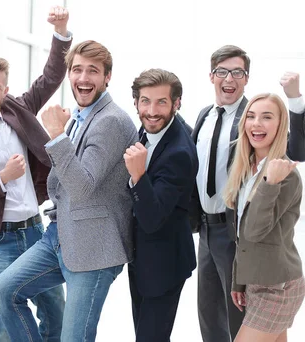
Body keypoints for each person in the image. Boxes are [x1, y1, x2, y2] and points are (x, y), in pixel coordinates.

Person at [0, 40, 137, 342]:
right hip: (59, 236)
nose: (83, 78)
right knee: (2, 291)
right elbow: (61, 183)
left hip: (94, 248)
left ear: (107, 77)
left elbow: (82, 187)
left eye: (93, 71)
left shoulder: (111, 121)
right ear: (69, 74)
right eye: (77, 70)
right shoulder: (81, 116)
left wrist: (57, 136)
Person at [0, 6, 70, 341]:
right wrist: (1, 179)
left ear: (5, 91)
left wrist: (61, 30)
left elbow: (51, 76)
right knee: (3, 327)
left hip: (36, 232)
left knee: (56, 314)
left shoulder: (18, 109)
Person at [192, 45, 305, 342]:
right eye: (221, 71)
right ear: (211, 76)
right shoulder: (208, 119)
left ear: (246, 78)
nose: (256, 123)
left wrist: (294, 98)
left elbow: (298, 150)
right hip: (209, 232)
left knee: (237, 325)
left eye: (237, 72)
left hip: (268, 274)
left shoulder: (279, 170)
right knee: (208, 312)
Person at [223, 93, 304, 342]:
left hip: (277, 287)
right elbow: (241, 237)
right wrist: (239, 281)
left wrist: (270, 183)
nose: (256, 124)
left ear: (280, 125)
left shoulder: (285, 174)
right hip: (257, 283)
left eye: (266, 117)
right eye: (251, 116)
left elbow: (255, 231)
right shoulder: (246, 168)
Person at [124, 69, 198, 342]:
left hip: (164, 264)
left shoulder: (179, 152)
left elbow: (153, 217)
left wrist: (138, 176)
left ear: (177, 103)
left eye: (161, 102)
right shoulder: (145, 132)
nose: (152, 111)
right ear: (136, 102)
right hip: (142, 259)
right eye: (145, 101)